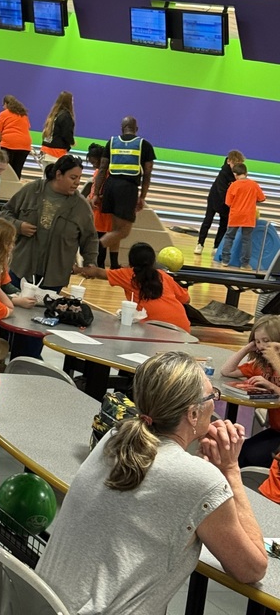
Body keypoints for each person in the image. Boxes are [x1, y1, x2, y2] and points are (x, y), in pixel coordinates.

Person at [37, 351, 267, 614]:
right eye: (212, 396)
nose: (215, 403)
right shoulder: (198, 479)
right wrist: (230, 470)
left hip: (41, 604)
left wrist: (202, 467)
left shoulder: (114, 438)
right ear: (193, 414)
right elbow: (252, 568)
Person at [1, 154, 97, 293]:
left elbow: (90, 238)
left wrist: (90, 262)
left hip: (54, 277)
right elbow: (5, 213)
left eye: (79, 178)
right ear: (59, 175)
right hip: (21, 268)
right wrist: (18, 226)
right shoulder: (32, 190)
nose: (77, 182)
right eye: (73, 178)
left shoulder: (81, 206)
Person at [82, 241, 191, 331]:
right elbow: (186, 299)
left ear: (131, 261)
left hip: (156, 330)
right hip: (183, 329)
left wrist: (75, 269)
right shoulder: (163, 275)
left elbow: (97, 272)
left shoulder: (128, 274)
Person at [93, 115, 156, 269]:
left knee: (115, 229)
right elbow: (147, 173)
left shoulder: (112, 142)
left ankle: (114, 265)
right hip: (127, 188)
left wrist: (95, 193)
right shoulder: (144, 145)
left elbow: (102, 169)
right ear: (137, 129)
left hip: (110, 186)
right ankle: (94, 248)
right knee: (123, 231)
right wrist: (142, 196)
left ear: (122, 129)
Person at [221, 315, 280, 468]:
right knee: (240, 452)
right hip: (276, 430)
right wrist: (248, 347)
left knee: (251, 455)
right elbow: (227, 370)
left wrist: (272, 386)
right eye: (257, 341)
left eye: (266, 341)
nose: (261, 346)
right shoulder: (262, 365)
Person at [195, 150, 245, 256]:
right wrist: (230, 203)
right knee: (207, 221)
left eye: (238, 164)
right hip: (215, 199)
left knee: (223, 225)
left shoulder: (238, 173)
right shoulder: (223, 172)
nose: (236, 167)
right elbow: (221, 190)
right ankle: (200, 244)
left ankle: (217, 246)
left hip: (227, 203)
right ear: (228, 161)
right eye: (234, 164)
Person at [221, 162, 266, 270]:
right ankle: (244, 264)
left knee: (229, 237)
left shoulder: (233, 185)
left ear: (235, 174)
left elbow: (228, 202)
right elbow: (262, 198)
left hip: (235, 215)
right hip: (248, 216)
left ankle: (225, 261)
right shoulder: (253, 184)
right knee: (247, 239)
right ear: (246, 173)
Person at [84, 141, 113, 268]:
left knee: (100, 241)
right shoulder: (98, 172)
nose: (94, 165)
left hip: (103, 212)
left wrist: (96, 198)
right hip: (96, 211)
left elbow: (108, 192)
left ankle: (99, 265)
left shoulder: (107, 172)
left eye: (95, 162)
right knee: (95, 240)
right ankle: (94, 264)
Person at [0, 95, 31, 179]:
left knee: (5, 170)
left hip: (9, 143)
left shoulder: (3, 114)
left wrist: (2, 142)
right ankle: (15, 189)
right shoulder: (23, 115)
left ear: (6, 104)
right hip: (25, 145)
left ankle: (5, 189)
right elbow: (27, 128)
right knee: (17, 170)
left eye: (3, 105)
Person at [39, 90, 75, 163]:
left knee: (46, 174)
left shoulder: (53, 114)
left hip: (45, 149)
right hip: (56, 152)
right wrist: (72, 142)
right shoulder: (66, 115)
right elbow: (66, 133)